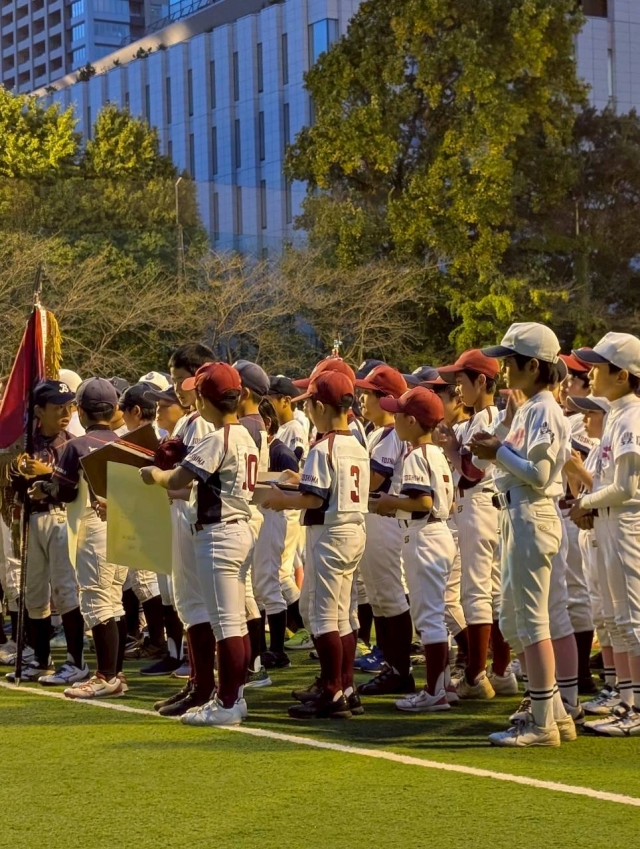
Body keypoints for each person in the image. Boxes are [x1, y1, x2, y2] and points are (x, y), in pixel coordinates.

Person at [470, 323, 575, 747]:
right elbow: (498, 463)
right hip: (517, 513)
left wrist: (498, 451)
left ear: (534, 366)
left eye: (510, 361)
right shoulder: (530, 408)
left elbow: (541, 474)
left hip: (532, 513)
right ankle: (555, 713)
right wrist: (495, 445)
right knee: (515, 620)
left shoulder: (545, 409)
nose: (503, 369)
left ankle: (542, 722)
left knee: (532, 621)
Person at [141, 362, 258, 727]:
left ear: (205, 400)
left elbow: (178, 478)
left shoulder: (218, 438)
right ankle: (234, 697)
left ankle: (226, 702)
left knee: (226, 624)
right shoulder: (245, 435)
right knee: (234, 622)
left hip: (219, 532)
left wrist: (154, 473)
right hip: (237, 528)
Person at [264, 370, 370, 719]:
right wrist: (301, 480)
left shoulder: (324, 446)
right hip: (353, 529)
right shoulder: (357, 443)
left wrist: (282, 498)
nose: (307, 410)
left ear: (321, 406)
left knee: (323, 616)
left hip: (330, 532)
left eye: (309, 404)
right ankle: (346, 687)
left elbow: (314, 499)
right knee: (344, 615)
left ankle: (332, 690)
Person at [29, 378, 128, 699]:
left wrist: (45, 488)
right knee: (114, 601)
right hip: (124, 526)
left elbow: (67, 492)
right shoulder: (127, 443)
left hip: (92, 527)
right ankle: (116, 674)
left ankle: (105, 676)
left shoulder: (77, 446)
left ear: (81, 412)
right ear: (114, 409)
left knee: (97, 602)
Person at [368, 386, 457, 712]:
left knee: (429, 619)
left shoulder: (417, 454)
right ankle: (444, 685)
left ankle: (434, 692)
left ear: (411, 421)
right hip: (438, 533)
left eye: (399, 414)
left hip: (424, 536)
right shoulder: (436, 453)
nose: (394, 419)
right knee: (435, 616)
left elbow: (422, 503)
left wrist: (389, 502)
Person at [570, 332, 640, 737]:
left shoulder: (631, 416)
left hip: (628, 522)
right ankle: (627, 700)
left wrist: (586, 501)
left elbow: (626, 487)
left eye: (598, 368)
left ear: (622, 374)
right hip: (612, 520)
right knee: (617, 618)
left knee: (632, 617)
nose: (590, 374)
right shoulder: (617, 414)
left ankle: (637, 706)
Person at [437, 351, 516, 699]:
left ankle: (476, 674)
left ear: (481, 381)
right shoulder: (480, 418)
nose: (457, 388)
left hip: (480, 504)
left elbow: (472, 472)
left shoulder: (488, 418)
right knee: (494, 591)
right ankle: (501, 671)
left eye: (461, 380)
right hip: (486, 507)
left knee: (477, 592)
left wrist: (452, 449)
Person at [7, 380, 88, 685]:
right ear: (39, 410)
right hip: (31, 519)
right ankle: (41, 659)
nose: (65, 413)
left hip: (62, 518)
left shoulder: (72, 443)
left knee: (66, 590)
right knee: (34, 592)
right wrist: (17, 470)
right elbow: (11, 483)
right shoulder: (25, 444)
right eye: (58, 407)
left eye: (69, 406)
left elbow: (76, 487)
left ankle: (76, 660)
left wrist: (47, 473)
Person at [152, 342, 217, 716]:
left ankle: (206, 685)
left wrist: (157, 482)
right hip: (182, 512)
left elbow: (196, 480)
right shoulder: (189, 419)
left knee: (198, 602)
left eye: (181, 379)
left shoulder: (205, 421)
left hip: (197, 515)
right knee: (186, 600)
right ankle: (197, 680)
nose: (176, 386)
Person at [353, 365, 415, 697]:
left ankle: (400, 670)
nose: (362, 400)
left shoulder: (391, 434)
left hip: (386, 519)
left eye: (368, 394)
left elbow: (375, 480)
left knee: (389, 596)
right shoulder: (378, 432)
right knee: (378, 599)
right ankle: (391, 666)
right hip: (375, 517)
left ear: (386, 399)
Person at [563, 394, 618, 716]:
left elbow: (611, 491)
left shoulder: (614, 445)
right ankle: (612, 685)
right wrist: (575, 478)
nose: (584, 419)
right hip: (592, 533)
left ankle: (625, 690)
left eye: (591, 413)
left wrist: (579, 472)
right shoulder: (597, 447)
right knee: (603, 615)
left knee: (620, 617)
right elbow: (583, 493)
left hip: (614, 532)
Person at [558, 354, 599, 693]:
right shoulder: (569, 418)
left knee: (579, 593)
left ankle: (583, 672)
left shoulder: (581, 423)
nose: (565, 384)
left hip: (578, 512)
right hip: (572, 511)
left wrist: (578, 499)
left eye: (572, 378)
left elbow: (576, 469)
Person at [233, 360, 272, 687]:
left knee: (244, 592)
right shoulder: (254, 422)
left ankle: (254, 663)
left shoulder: (245, 425)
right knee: (246, 591)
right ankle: (254, 662)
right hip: (251, 508)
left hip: (243, 510)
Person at [253, 398, 300, 667]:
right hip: (262, 516)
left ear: (266, 423)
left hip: (276, 517)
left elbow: (296, 486)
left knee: (270, 580)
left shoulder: (279, 451)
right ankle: (261, 648)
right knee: (257, 584)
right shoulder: (258, 447)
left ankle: (278, 650)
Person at [267, 375, 309, 465]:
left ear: (286, 401)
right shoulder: (280, 428)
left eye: (269, 400)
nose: (265, 404)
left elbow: (292, 464)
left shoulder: (294, 429)